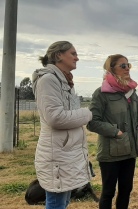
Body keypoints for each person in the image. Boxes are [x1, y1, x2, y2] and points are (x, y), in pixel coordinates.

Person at [32, 41, 93, 209]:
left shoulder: (64, 81)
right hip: (57, 154)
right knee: (56, 203)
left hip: (66, 153)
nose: (77, 58)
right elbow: (55, 118)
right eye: (73, 53)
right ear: (58, 55)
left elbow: (69, 115)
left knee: (63, 202)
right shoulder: (48, 80)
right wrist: (87, 114)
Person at [86, 54, 138, 209]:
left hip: (130, 150)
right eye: (122, 66)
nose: (127, 69)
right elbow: (92, 122)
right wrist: (116, 132)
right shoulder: (101, 93)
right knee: (108, 192)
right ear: (111, 69)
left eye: (128, 65)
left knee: (126, 190)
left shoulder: (131, 92)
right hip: (110, 153)